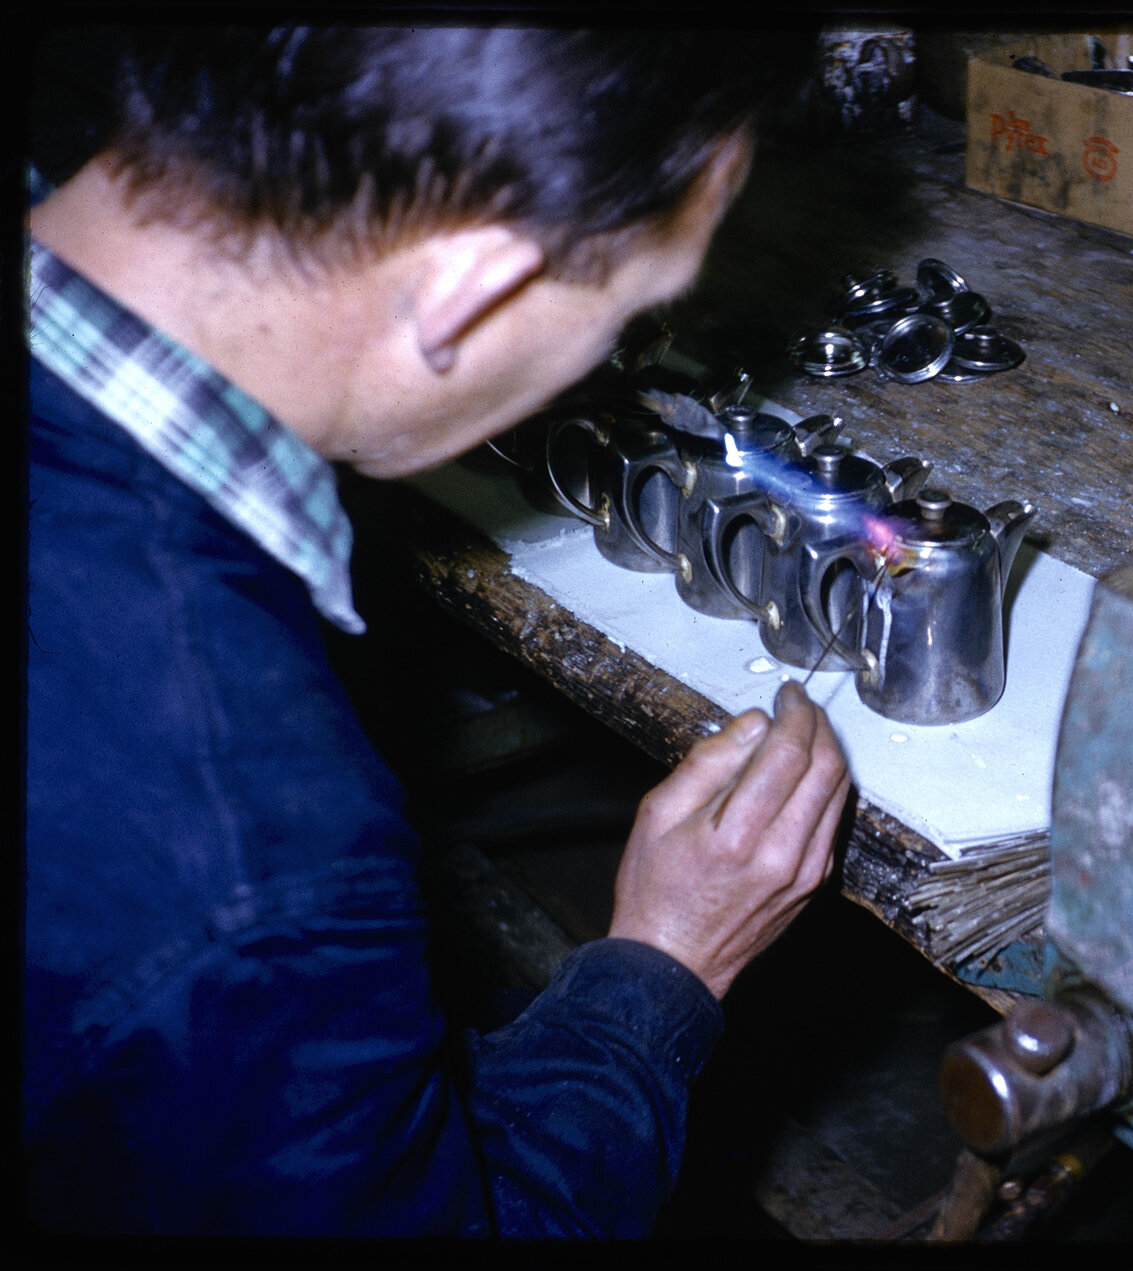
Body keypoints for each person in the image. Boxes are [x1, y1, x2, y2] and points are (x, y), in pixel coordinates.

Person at [25, 26, 848, 1236]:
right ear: (471, 287)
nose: (599, 366)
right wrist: (663, 966)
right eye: (627, 315)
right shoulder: (261, 864)